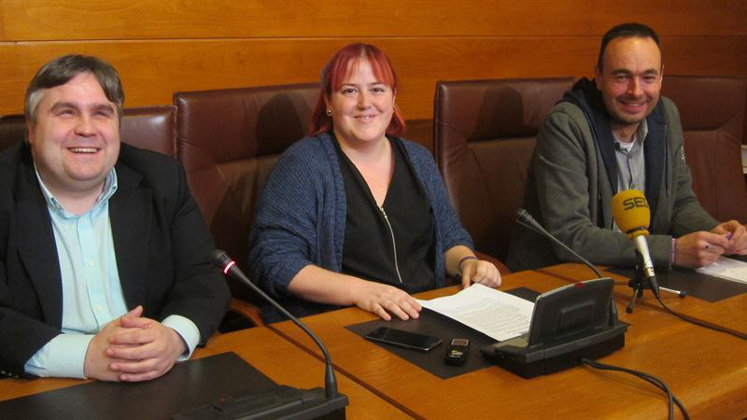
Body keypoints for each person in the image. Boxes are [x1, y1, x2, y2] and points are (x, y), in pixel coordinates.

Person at [0, 55, 230, 382]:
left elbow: (203, 274)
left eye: (101, 113)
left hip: (157, 376)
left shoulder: (160, 179)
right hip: (42, 385)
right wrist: (82, 356)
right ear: (31, 128)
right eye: (66, 112)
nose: (86, 129)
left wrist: (173, 337)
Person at [249, 43, 501, 323]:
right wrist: (362, 292)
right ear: (329, 103)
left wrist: (468, 262)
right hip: (345, 324)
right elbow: (274, 261)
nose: (365, 102)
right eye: (349, 91)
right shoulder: (304, 165)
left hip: (427, 315)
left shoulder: (418, 158)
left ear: (393, 99)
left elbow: (449, 238)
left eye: (377, 89)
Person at [507, 23, 747, 272]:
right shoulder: (566, 125)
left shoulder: (666, 116)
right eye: (622, 77)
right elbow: (572, 235)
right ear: (599, 77)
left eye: (648, 77)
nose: (636, 91)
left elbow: (679, 203)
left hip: (637, 271)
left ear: (661, 77)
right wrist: (671, 251)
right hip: (560, 276)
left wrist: (714, 233)